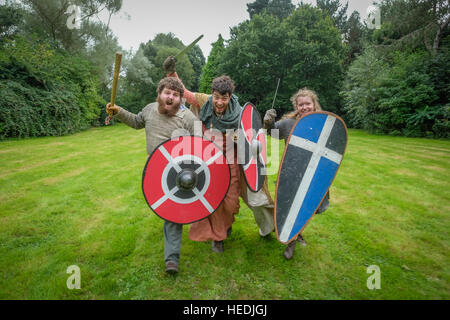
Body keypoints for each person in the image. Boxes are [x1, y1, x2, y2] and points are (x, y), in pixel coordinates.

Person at [164, 57, 275, 253]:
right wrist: (172, 73)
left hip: (231, 157)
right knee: (212, 195)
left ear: (230, 97)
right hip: (208, 157)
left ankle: (227, 224)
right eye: (216, 97)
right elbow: (185, 94)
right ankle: (218, 236)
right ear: (212, 94)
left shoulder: (239, 112)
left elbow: (250, 136)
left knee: (231, 199)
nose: (219, 102)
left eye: (224, 98)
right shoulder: (204, 101)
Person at [106, 77, 198, 274]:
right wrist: (119, 111)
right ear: (159, 94)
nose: (171, 97)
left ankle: (171, 259)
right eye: (167, 93)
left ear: (181, 99)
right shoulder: (149, 109)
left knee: (173, 213)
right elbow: (137, 122)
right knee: (167, 210)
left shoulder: (187, 117)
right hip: (155, 170)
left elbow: (200, 145)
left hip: (180, 173)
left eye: (176, 95)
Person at [264, 88, 330, 260]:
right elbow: (273, 132)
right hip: (291, 172)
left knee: (305, 206)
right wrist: (268, 122)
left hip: (312, 173)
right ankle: (291, 240)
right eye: (301, 104)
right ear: (296, 106)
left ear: (314, 104)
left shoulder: (324, 124)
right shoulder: (289, 123)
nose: (304, 107)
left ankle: (296, 233)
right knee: (290, 205)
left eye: (308, 103)